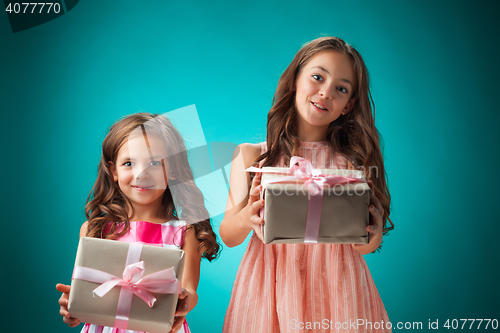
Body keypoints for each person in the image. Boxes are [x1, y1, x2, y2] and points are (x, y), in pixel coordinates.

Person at [219, 36, 394, 333]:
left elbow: (362, 246)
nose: (325, 93)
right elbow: (228, 235)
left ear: (348, 106)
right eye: (317, 77)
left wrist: (373, 233)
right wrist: (248, 215)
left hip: (339, 291)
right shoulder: (251, 156)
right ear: (295, 81)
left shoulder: (353, 162)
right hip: (271, 286)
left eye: (340, 88)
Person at [56, 113, 220, 333]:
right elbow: (86, 294)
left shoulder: (185, 231)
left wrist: (183, 302)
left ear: (171, 170)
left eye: (154, 162)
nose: (141, 174)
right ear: (114, 171)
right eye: (129, 163)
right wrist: (72, 309)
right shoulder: (94, 230)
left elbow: (189, 289)